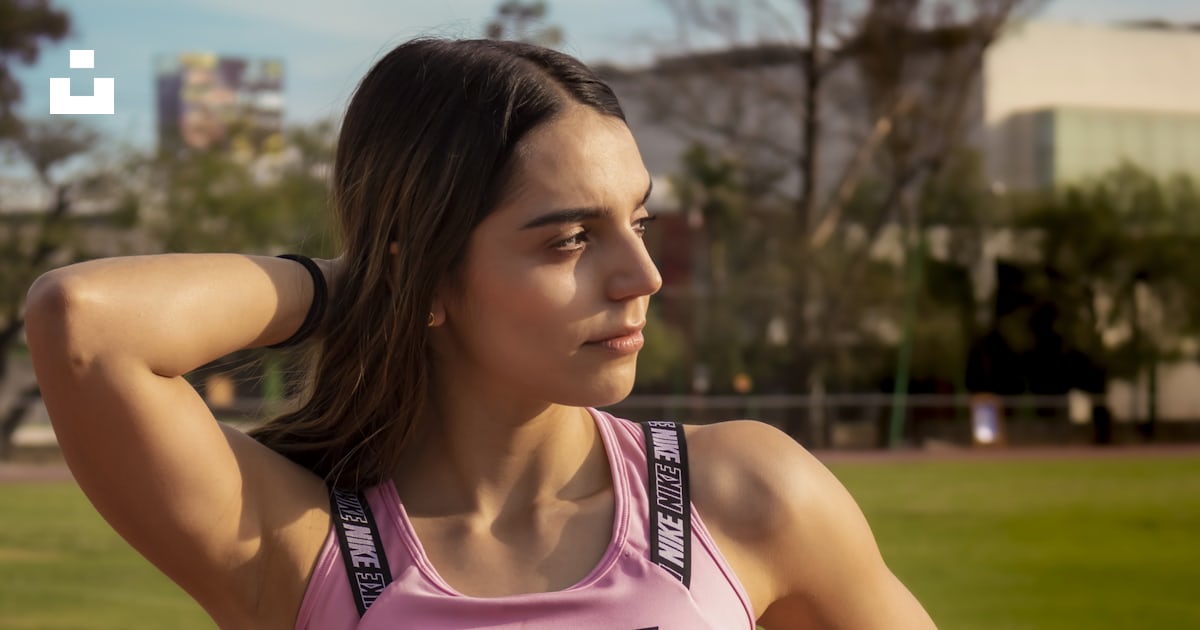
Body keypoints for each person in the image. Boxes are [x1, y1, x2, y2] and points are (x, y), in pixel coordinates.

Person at [26, 38, 936, 629]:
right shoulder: (301, 545)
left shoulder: (747, 495)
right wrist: (371, 284)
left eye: (640, 222)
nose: (642, 276)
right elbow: (84, 324)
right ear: (428, 272)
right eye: (572, 239)